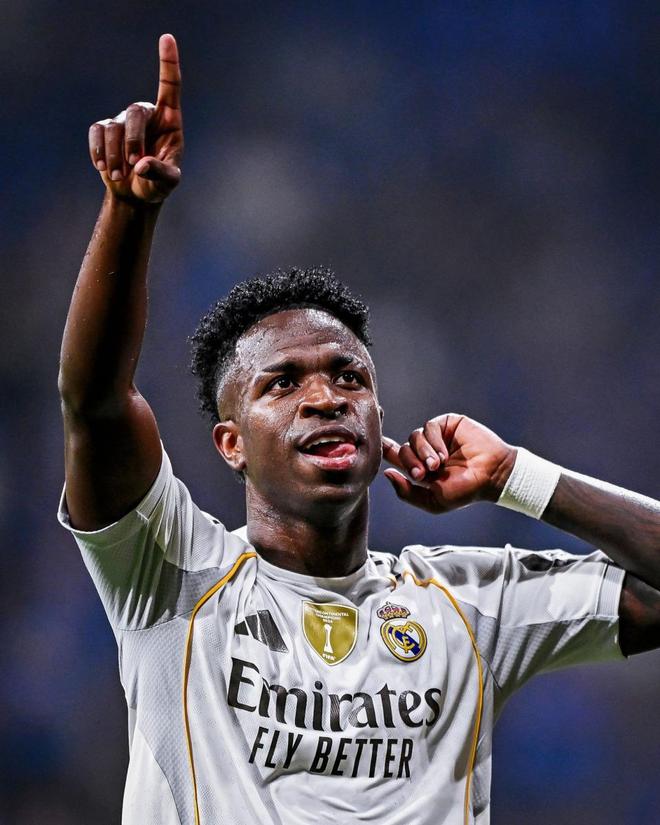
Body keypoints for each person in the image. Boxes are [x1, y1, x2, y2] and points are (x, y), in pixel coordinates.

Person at [58, 34, 660, 825]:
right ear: (231, 443)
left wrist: (516, 475)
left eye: (350, 377)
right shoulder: (174, 577)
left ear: (379, 420)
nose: (326, 397)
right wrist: (130, 212)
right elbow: (96, 402)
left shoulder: (469, 603)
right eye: (283, 383)